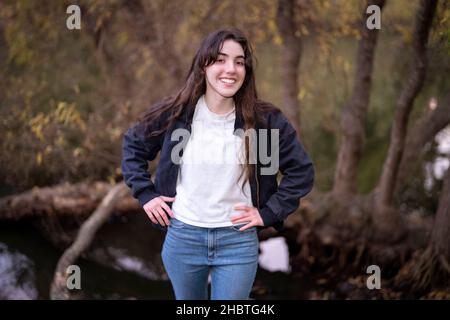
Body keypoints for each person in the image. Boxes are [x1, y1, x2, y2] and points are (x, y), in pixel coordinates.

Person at [121, 28, 314, 300]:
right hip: (183, 236)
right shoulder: (176, 114)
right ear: (204, 65)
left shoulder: (263, 123)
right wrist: (146, 194)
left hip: (237, 240)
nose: (231, 69)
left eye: (239, 61)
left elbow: (301, 171)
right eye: (220, 59)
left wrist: (268, 213)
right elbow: (133, 145)